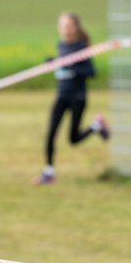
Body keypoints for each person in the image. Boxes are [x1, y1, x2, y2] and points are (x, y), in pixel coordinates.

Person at [34, 11, 110, 185]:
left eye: (68, 26)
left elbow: (91, 72)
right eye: (62, 26)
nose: (65, 29)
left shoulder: (82, 48)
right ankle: (49, 172)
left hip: (78, 97)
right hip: (62, 96)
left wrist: (71, 67)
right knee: (50, 134)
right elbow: (62, 69)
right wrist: (53, 63)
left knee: (73, 139)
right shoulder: (61, 45)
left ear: (76, 28)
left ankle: (96, 126)